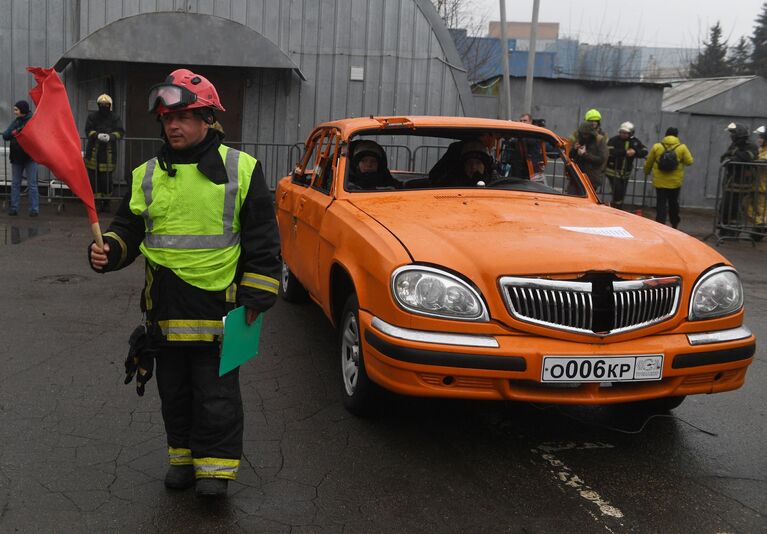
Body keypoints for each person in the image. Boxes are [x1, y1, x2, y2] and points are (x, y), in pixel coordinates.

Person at [88, 69, 281, 498]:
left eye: (185, 117)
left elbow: (263, 238)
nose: (173, 125)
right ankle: (183, 459)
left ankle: (216, 471)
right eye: (166, 118)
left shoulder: (242, 169)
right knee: (174, 393)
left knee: (217, 395)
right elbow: (128, 229)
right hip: (166, 310)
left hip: (223, 309)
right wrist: (109, 251)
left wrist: (258, 294)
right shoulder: (146, 175)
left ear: (208, 118)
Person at [643, 127, 694, 229]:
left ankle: (660, 224)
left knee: (661, 203)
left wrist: (646, 172)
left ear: (665, 135)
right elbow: (689, 162)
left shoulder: (657, 147)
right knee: (673, 203)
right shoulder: (682, 147)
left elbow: (649, 162)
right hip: (675, 182)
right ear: (676, 136)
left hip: (660, 182)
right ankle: (674, 223)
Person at [84, 94, 124, 212]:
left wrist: (110, 137)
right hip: (93, 154)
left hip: (108, 155)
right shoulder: (92, 117)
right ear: (98, 105)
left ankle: (106, 203)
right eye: (102, 104)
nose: (104, 106)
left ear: (110, 105)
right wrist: (97, 135)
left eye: (106, 105)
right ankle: (95, 203)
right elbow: (88, 130)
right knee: (93, 180)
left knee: (106, 180)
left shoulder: (115, 117)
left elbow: (120, 132)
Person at [2, 100, 39, 216]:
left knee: (31, 184)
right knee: (16, 183)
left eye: (16, 110)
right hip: (17, 157)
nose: (15, 112)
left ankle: (34, 209)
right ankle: (14, 208)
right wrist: (15, 132)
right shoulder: (17, 121)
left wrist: (15, 132)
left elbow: (32, 135)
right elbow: (5, 135)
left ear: (22, 110)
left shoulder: (32, 121)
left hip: (29, 157)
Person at [719, 123, 758, 229]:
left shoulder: (751, 146)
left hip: (743, 183)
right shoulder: (734, 145)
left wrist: (733, 156)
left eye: (733, 133)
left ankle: (734, 230)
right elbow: (723, 158)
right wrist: (732, 156)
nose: (731, 136)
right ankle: (724, 227)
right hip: (730, 182)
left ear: (739, 135)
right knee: (725, 206)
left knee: (736, 207)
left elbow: (747, 157)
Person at [605, 121, 647, 210]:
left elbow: (644, 150)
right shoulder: (614, 140)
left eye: (625, 133)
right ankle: (616, 208)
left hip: (625, 174)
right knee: (618, 190)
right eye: (621, 132)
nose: (622, 134)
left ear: (631, 133)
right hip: (613, 171)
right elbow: (609, 151)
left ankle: (617, 208)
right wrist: (625, 152)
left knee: (621, 192)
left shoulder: (634, 141)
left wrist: (635, 152)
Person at [569, 121, 608, 191]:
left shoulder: (599, 140)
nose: (584, 136)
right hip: (576, 176)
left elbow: (601, 159)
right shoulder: (579, 139)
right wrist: (574, 149)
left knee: (586, 199)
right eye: (582, 134)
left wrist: (585, 154)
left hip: (591, 178)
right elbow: (570, 156)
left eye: (586, 134)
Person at [743, 126, 767, 231]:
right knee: (745, 205)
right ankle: (760, 224)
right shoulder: (760, 149)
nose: (759, 140)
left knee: (762, 209)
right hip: (754, 184)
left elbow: (762, 161)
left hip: (763, 186)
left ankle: (761, 227)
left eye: (761, 138)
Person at [517, 113, 547, 184]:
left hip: (534, 172)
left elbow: (529, 141)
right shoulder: (519, 135)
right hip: (521, 172)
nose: (522, 123)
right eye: (521, 121)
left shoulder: (534, 133)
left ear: (530, 122)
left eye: (525, 121)